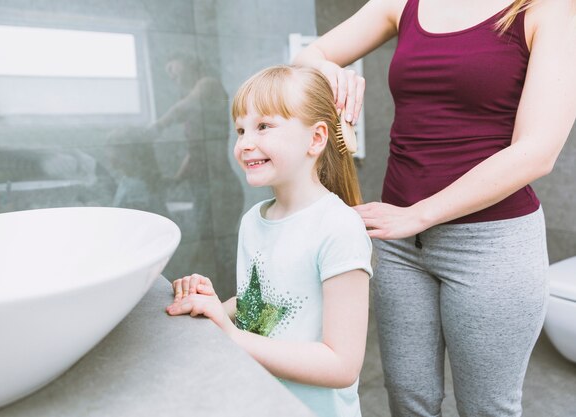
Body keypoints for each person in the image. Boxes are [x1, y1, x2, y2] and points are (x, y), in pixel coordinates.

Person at [293, 0, 576, 416]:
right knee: (408, 399)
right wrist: (326, 70)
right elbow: (307, 57)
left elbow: (538, 152)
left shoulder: (545, 10)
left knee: (487, 409)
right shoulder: (403, 3)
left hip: (491, 246)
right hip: (401, 247)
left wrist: (418, 214)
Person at [166, 65, 373, 417]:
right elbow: (263, 306)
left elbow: (341, 365)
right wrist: (214, 306)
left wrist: (231, 336)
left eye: (263, 126)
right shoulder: (253, 221)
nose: (246, 143)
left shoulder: (339, 227)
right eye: (240, 130)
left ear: (316, 139)